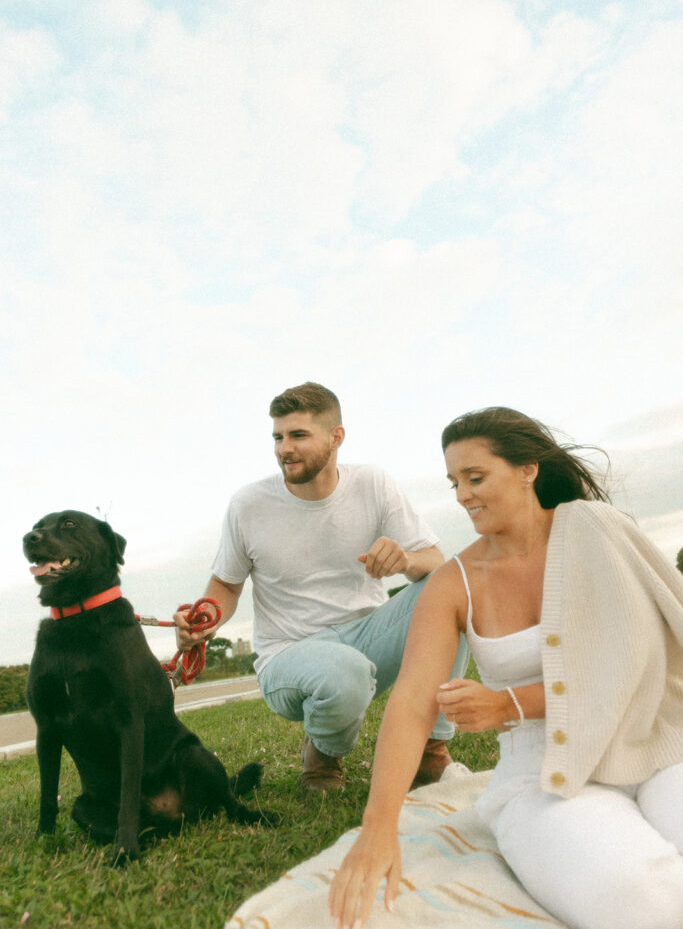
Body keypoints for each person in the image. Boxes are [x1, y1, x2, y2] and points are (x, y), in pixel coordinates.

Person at [329, 406, 683, 929]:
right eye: (453, 483)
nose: (462, 495)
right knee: (640, 897)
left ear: (527, 469)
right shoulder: (454, 583)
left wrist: (508, 704)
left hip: (653, 743)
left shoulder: (597, 530)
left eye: (475, 477)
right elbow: (410, 702)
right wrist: (378, 825)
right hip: (543, 775)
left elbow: (638, 658)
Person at [175, 382, 469, 792]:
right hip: (290, 653)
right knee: (344, 672)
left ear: (336, 437)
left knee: (456, 586)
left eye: (298, 435)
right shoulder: (248, 504)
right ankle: (323, 760)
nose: (283, 448)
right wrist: (203, 620)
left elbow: (435, 563)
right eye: (278, 437)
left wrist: (406, 561)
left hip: (367, 638)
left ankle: (430, 753)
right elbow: (225, 584)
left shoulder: (373, 483)